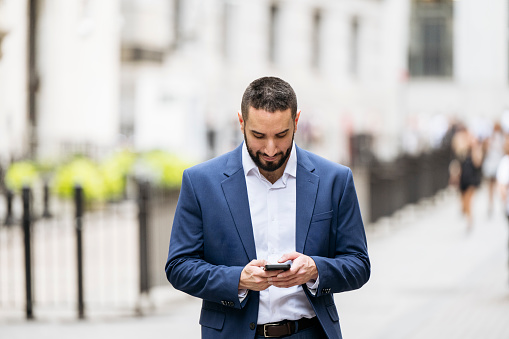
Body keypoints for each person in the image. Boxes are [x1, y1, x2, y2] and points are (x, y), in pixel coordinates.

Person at [165, 76, 370, 339]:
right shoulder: (201, 181)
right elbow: (179, 266)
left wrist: (315, 270)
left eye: (281, 135)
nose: (271, 149)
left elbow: (359, 264)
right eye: (258, 136)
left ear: (296, 122)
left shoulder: (335, 180)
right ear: (241, 123)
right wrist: (238, 279)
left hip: (309, 333)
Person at [451, 124, 483, 230]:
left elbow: (478, 163)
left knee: (468, 200)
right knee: (463, 202)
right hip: (462, 178)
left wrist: (474, 148)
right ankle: (466, 213)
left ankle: (470, 221)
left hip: (472, 178)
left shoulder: (475, 149)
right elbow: (457, 164)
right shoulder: (461, 150)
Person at [482, 122, 504, 216]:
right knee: (493, 185)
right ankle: (492, 204)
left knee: (496, 185)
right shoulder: (491, 139)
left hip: (496, 164)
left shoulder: (501, 138)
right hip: (493, 164)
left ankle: (496, 204)